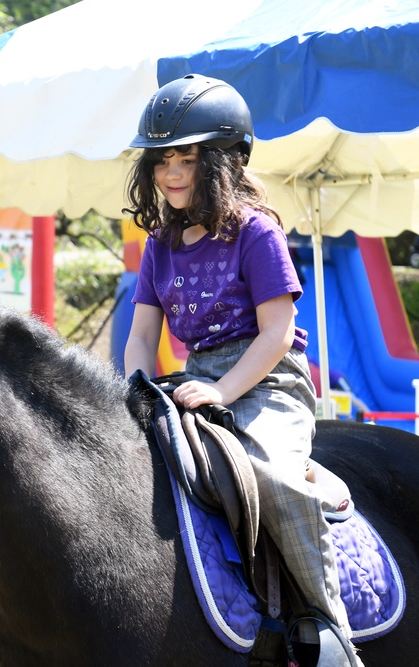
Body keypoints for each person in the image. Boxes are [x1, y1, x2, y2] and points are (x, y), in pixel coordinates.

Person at [121, 75, 360, 663]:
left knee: (267, 476)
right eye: (162, 161)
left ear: (222, 162)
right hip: (196, 377)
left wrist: (223, 389)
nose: (171, 173)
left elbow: (277, 334)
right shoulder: (160, 243)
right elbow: (144, 333)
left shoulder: (255, 230)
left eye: (187, 158)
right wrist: (133, 390)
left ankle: (331, 630)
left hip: (269, 378)